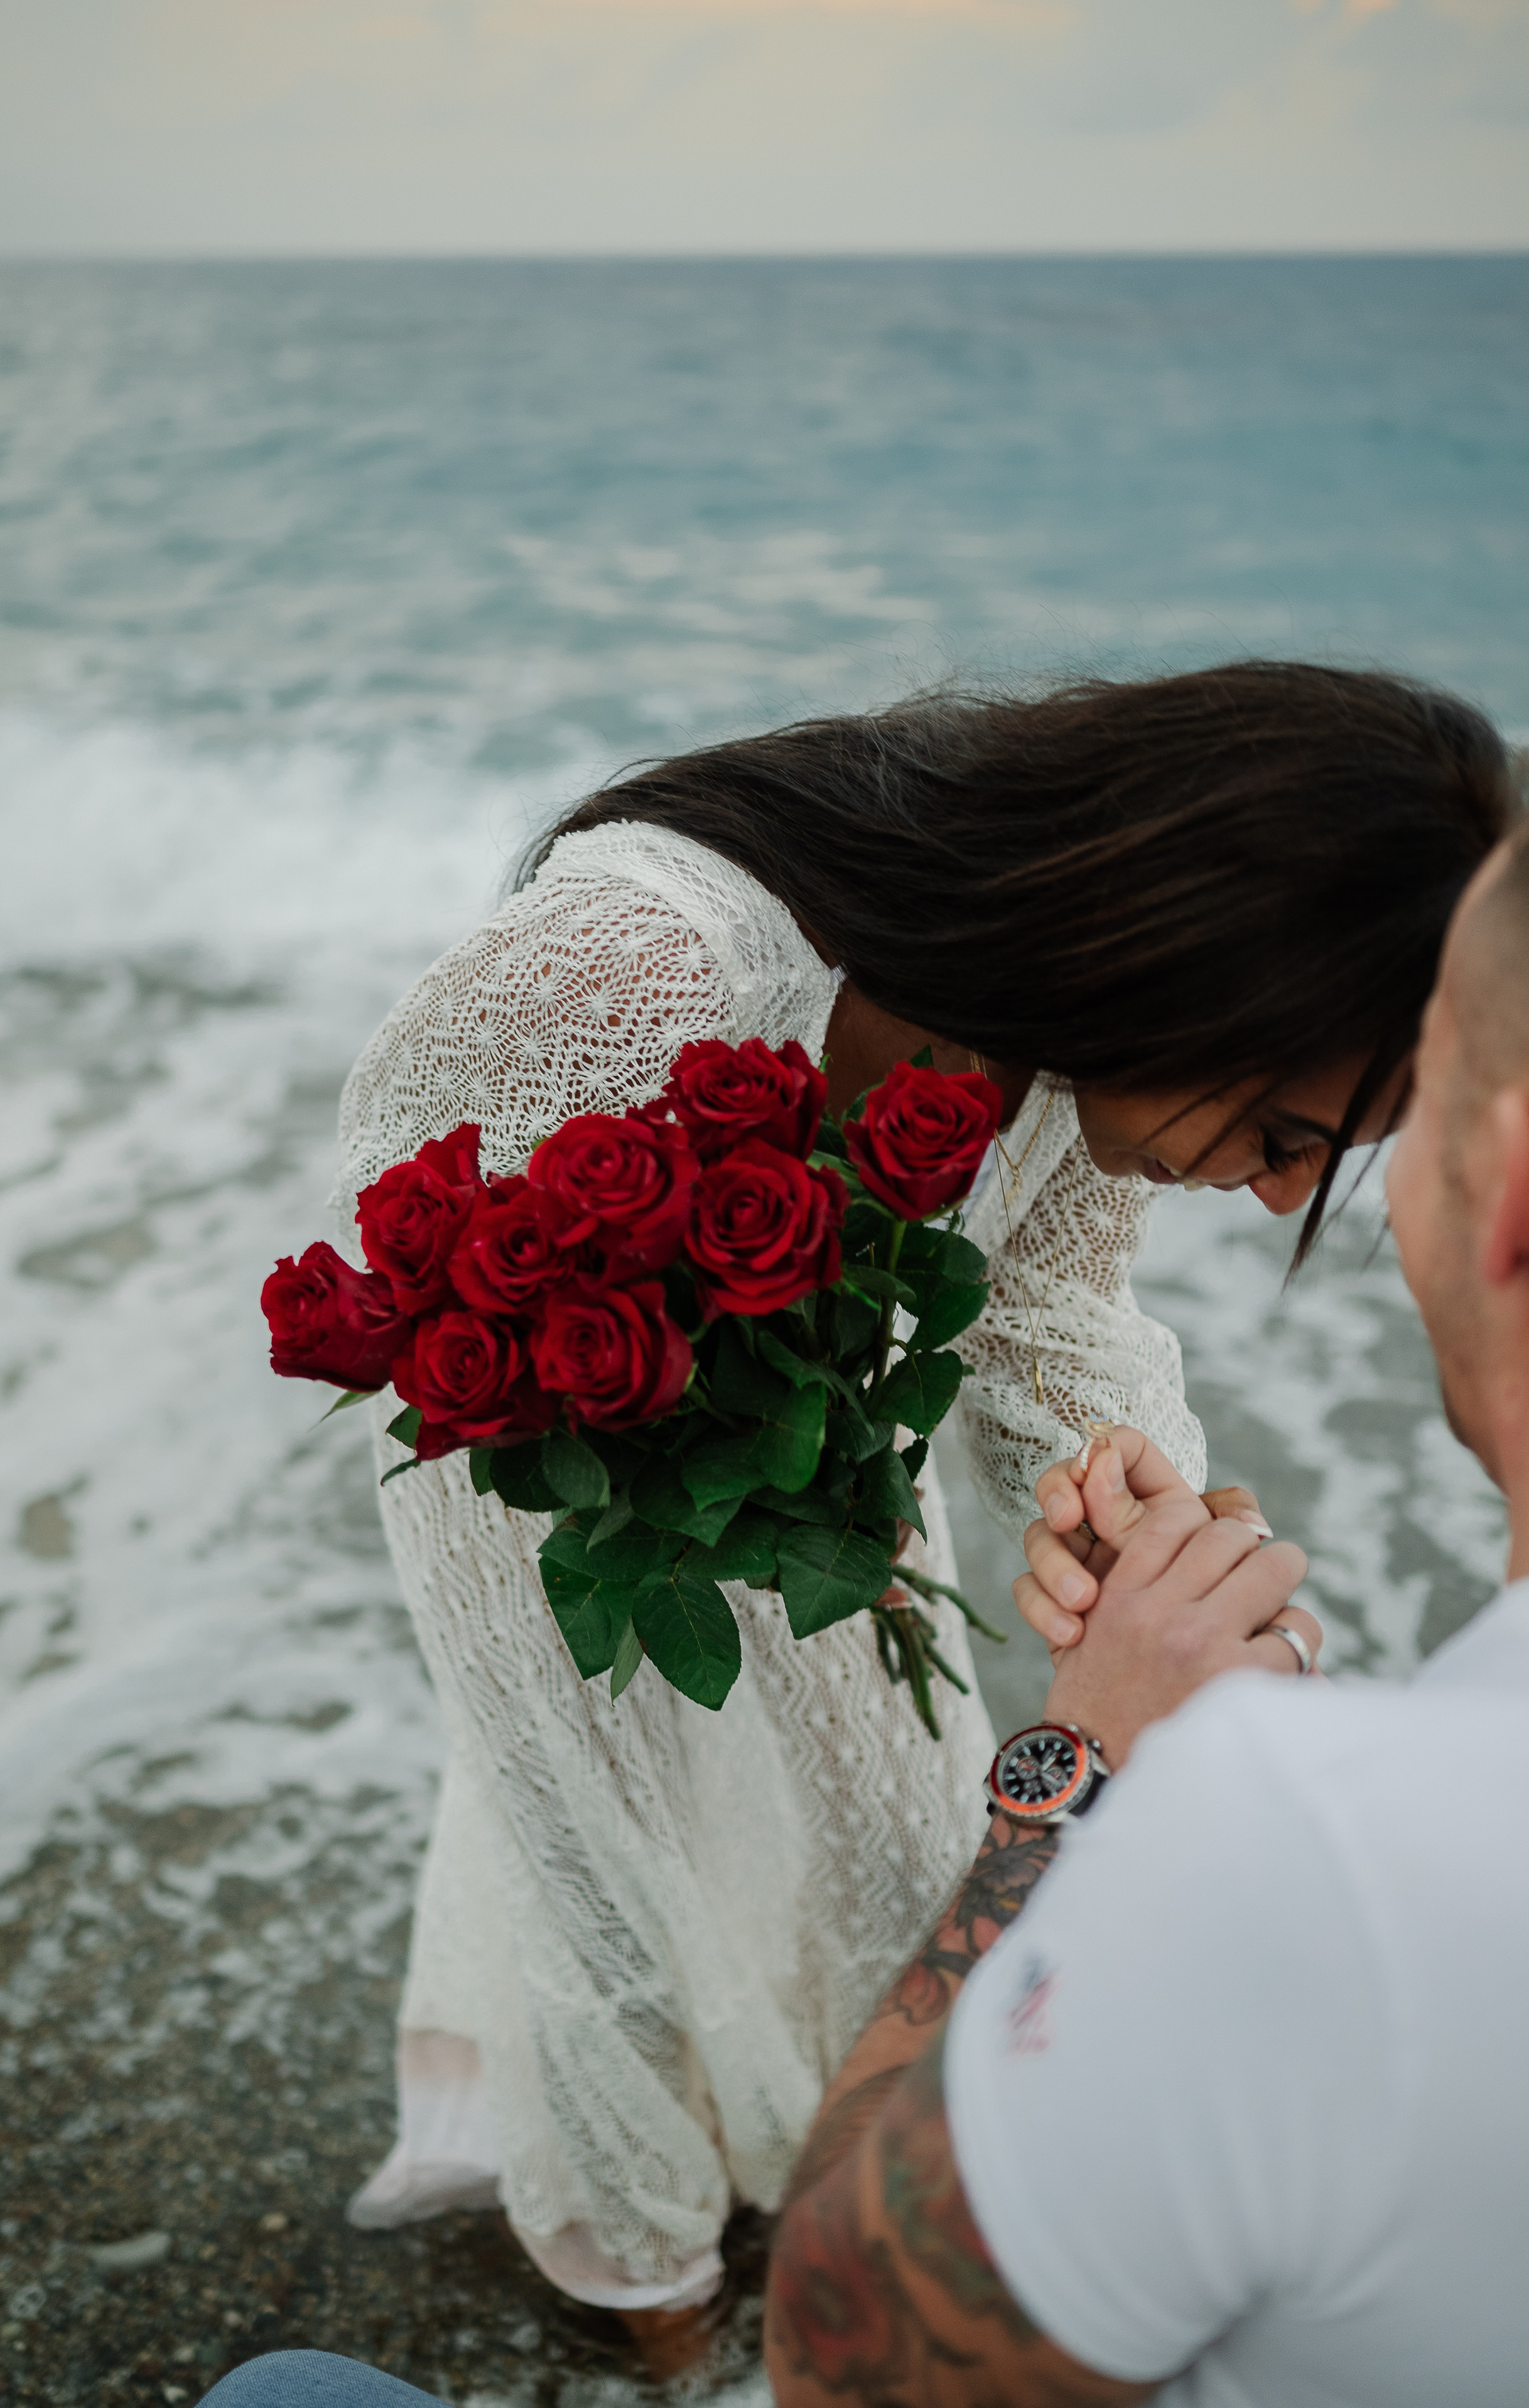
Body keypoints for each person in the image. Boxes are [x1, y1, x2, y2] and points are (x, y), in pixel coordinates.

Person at [327, 662, 1508, 2327]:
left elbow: (1047, 1298)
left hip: (827, 1489)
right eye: (1285, 1128)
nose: (1282, 1195)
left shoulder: (1058, 1013)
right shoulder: (637, 973)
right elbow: (440, 1385)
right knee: (624, 1872)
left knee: (891, 1833)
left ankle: (815, 2196)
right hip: (561, 1521)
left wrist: (1137, 1506)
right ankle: (643, 2271)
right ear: (1192, 955)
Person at [764, 819, 1529, 2405]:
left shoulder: (1311, 1851)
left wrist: (1079, 1762)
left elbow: (840, 2363)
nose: (1302, 1200)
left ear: (1506, 1193)